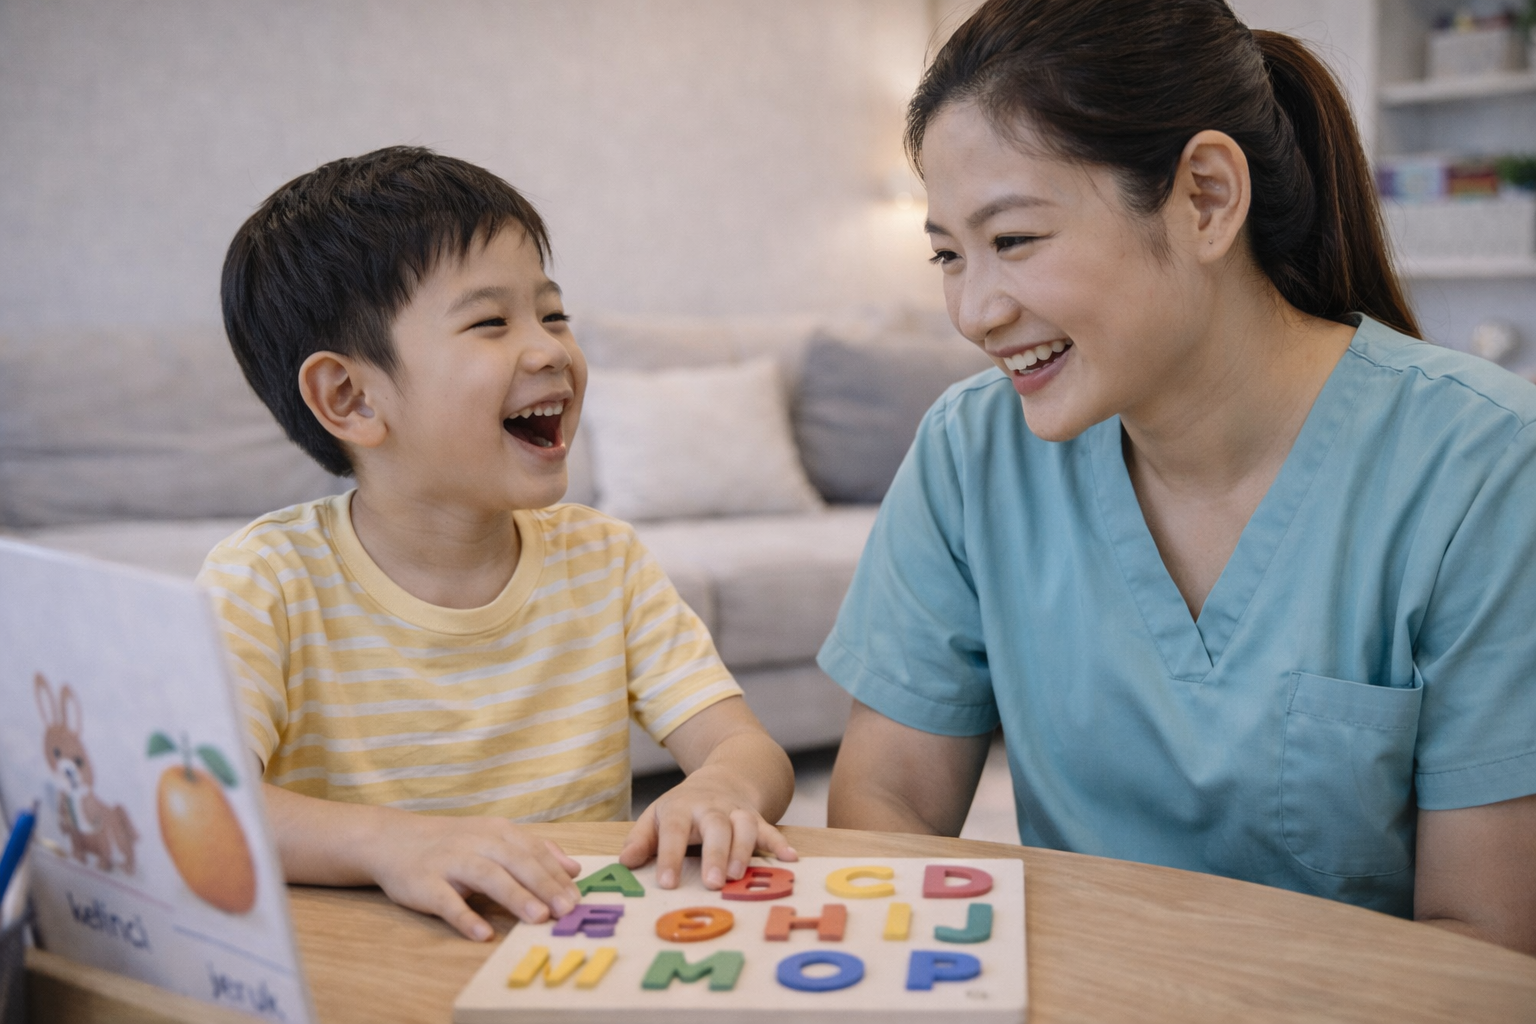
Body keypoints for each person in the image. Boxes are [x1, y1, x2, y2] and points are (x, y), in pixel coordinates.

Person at [823, 0, 1536, 953]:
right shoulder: (971, 452)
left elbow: (1485, 947)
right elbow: (885, 799)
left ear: (1205, 196)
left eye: (1016, 240)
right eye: (949, 254)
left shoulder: (1482, 471)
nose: (975, 310)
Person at [202, 146, 795, 942]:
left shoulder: (603, 562)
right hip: (365, 963)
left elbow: (749, 749)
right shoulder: (264, 581)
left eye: (552, 314)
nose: (550, 348)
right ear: (349, 397)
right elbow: (203, 798)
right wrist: (393, 841)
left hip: (568, 952)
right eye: (491, 322)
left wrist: (723, 788)